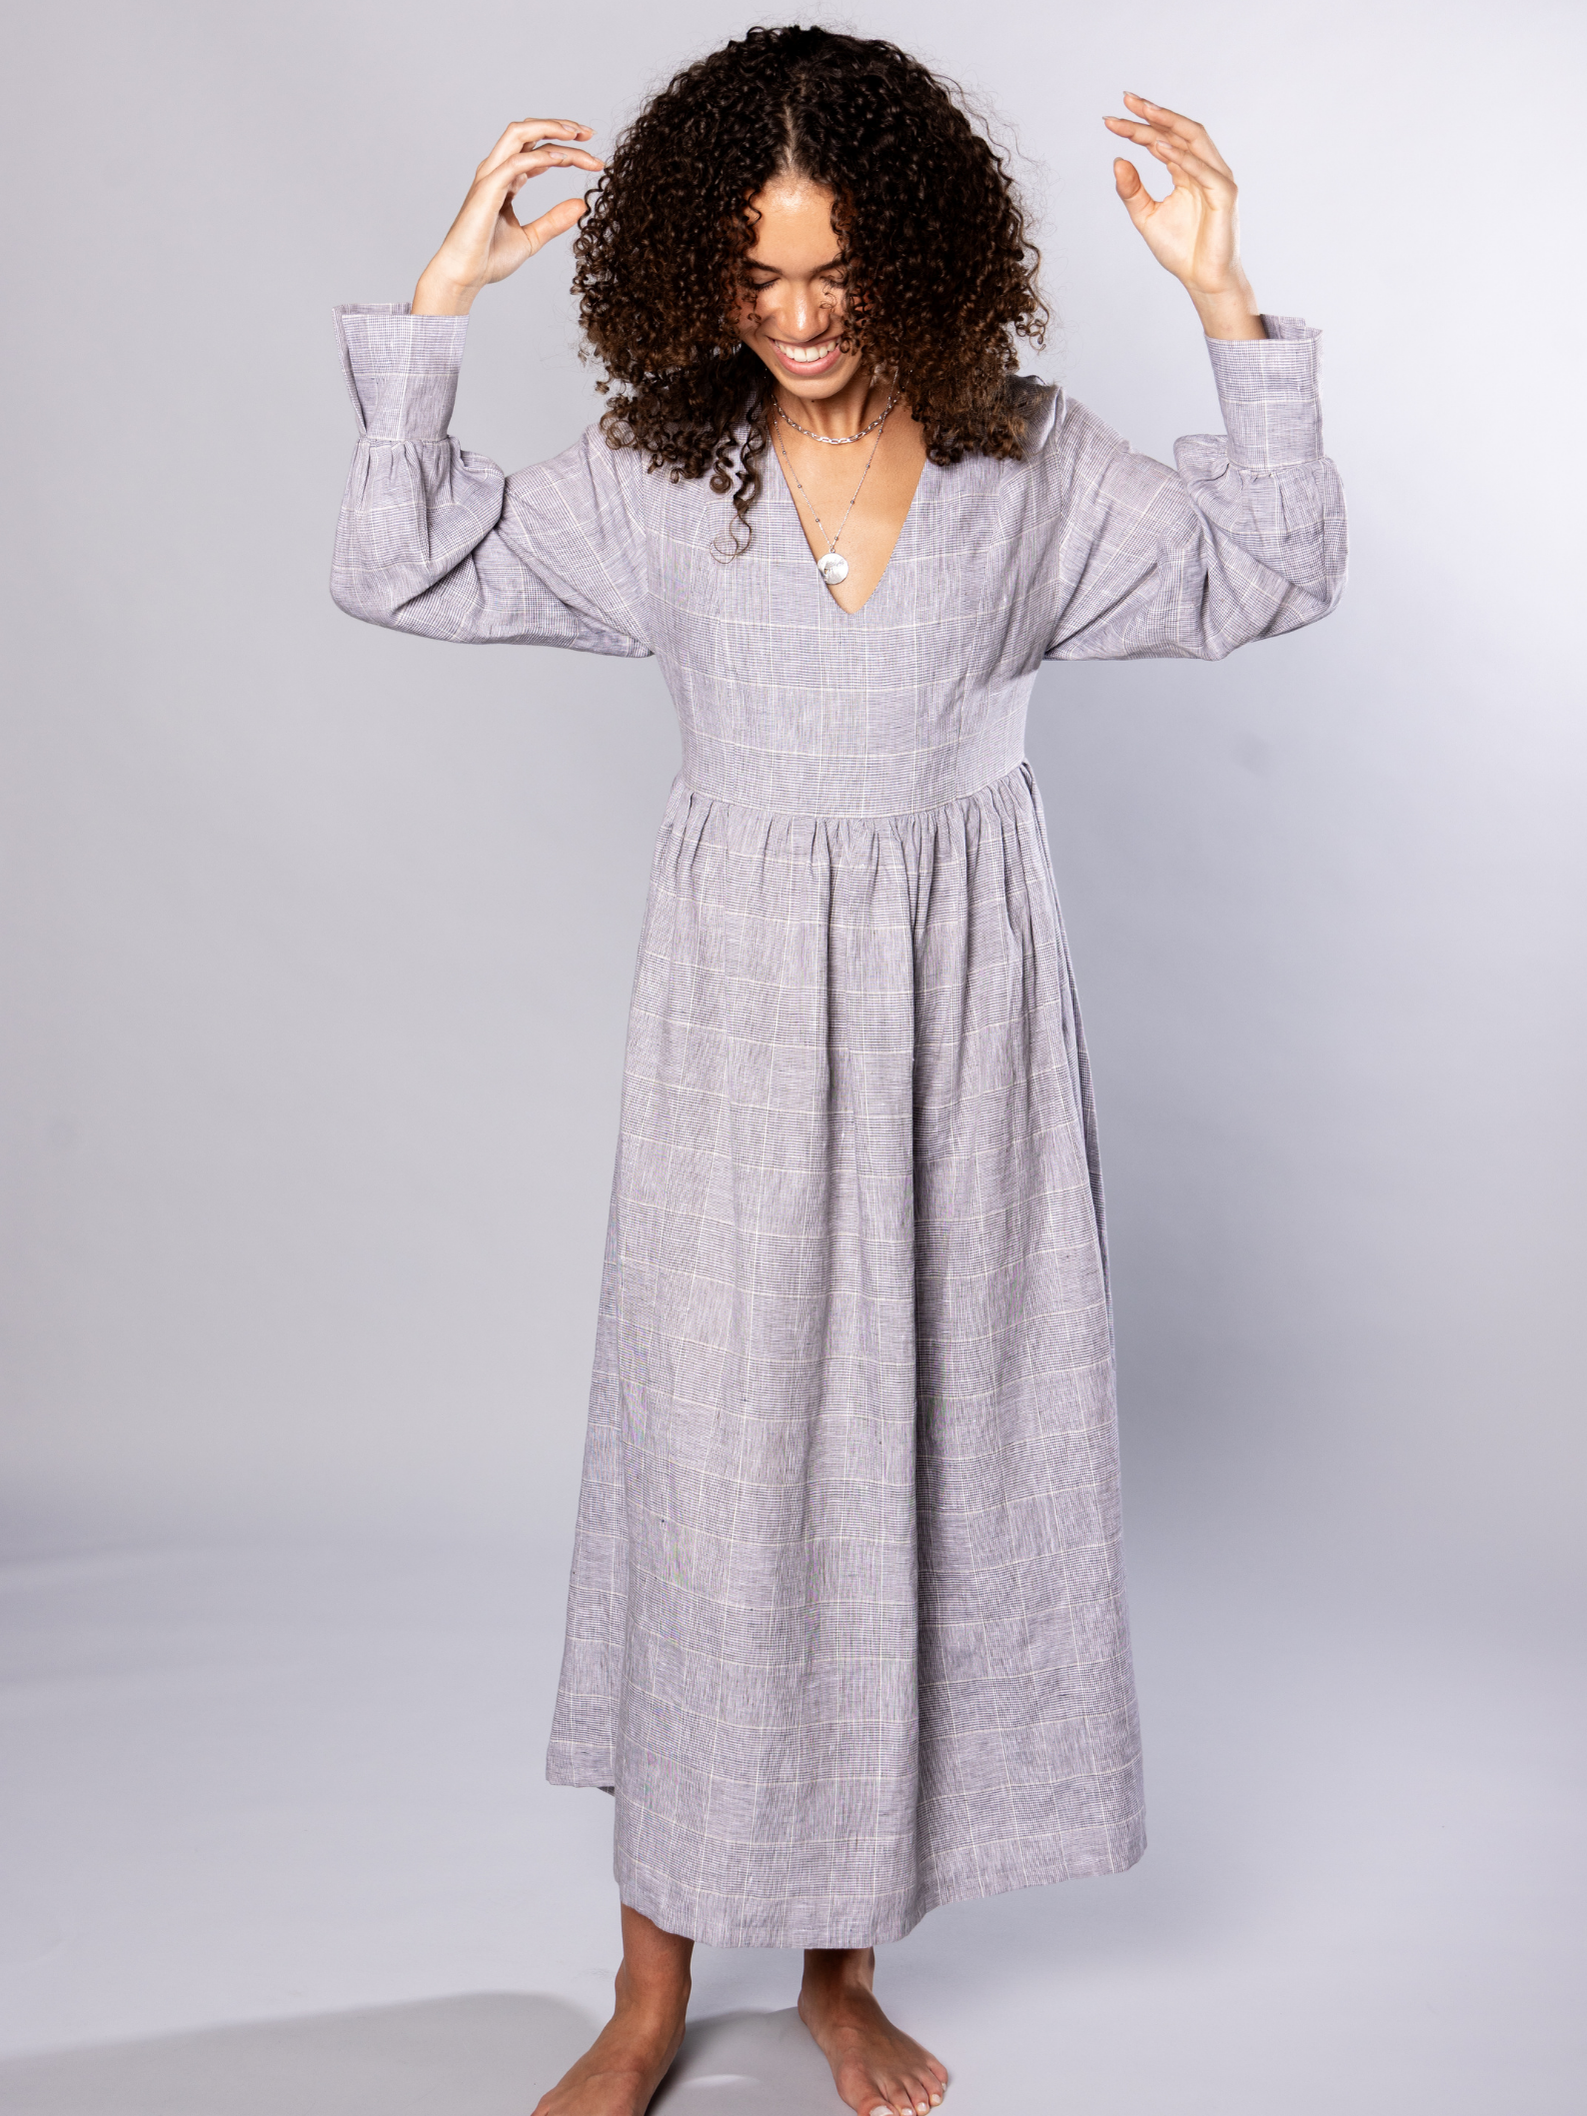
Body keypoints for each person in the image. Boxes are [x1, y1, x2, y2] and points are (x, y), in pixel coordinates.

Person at [329, 25, 1345, 2116]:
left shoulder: (1030, 465)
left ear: (924, 263)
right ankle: (639, 1987)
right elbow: (399, 559)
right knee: (710, 1493)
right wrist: (430, 313)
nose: (793, 321)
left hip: (960, 1037)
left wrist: (1223, 305)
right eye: (753, 276)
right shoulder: (655, 477)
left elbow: (1272, 568)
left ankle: (838, 1967)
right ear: (698, 275)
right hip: (732, 1024)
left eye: (835, 277)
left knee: (903, 1475)